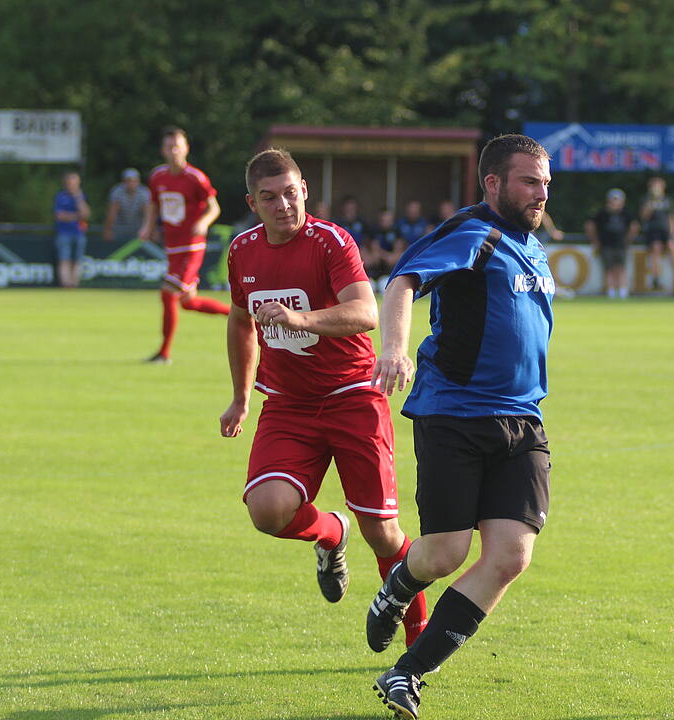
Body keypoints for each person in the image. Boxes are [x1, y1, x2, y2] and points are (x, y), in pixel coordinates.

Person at [367, 133, 555, 719]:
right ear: (493, 182)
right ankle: (399, 586)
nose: (541, 193)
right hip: (455, 414)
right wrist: (394, 349)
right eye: (530, 181)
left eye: (546, 183)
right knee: (446, 552)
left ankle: (406, 673)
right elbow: (402, 281)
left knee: (511, 557)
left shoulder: (534, 246)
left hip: (523, 421)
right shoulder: (474, 232)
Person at [220, 148, 428, 650]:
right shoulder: (242, 250)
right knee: (267, 511)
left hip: (353, 395)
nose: (283, 205)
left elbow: (365, 312)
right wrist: (241, 397)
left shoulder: (331, 241)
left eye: (291, 193)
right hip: (288, 404)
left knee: (382, 533)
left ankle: (419, 646)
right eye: (269, 197)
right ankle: (331, 533)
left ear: (304, 190)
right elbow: (240, 320)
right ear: (252, 203)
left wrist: (302, 318)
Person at [139, 126, 231, 364]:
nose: (174, 151)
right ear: (163, 150)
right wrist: (147, 226)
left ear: (186, 148)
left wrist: (203, 222)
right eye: (169, 147)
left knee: (168, 292)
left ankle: (164, 353)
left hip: (192, 247)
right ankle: (238, 315)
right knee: (188, 302)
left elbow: (214, 208)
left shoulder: (195, 178)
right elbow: (154, 205)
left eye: (177, 146)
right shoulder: (158, 176)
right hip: (172, 247)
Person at [584, 188, 639, 299]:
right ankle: (611, 291)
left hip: (621, 245)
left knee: (620, 268)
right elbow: (589, 225)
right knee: (608, 268)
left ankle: (622, 291)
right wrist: (595, 241)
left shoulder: (626, 213)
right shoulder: (602, 213)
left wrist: (628, 239)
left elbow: (635, 226)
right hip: (606, 244)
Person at [640, 175, 674, 292]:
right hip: (653, 231)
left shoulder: (668, 200)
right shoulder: (646, 200)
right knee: (656, 249)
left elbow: (672, 217)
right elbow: (644, 216)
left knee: (673, 247)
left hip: (666, 230)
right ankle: (656, 278)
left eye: (658, 185)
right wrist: (651, 202)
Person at [53, 170, 91, 288]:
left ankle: (74, 284)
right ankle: (66, 284)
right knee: (64, 259)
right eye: (71, 182)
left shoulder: (81, 196)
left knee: (78, 260)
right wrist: (77, 216)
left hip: (79, 233)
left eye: (76, 183)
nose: (73, 185)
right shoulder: (60, 197)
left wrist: (78, 198)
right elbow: (60, 216)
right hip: (63, 233)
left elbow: (86, 214)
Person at [102, 168, 151, 243]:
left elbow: (147, 213)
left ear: (138, 181)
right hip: (119, 229)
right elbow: (112, 212)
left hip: (138, 229)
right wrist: (108, 230)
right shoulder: (117, 191)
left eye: (134, 181)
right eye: (128, 181)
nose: (131, 183)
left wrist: (147, 229)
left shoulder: (144, 193)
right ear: (123, 182)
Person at [366, 207, 406, 283]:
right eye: (383, 220)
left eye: (388, 220)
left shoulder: (396, 232)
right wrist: (386, 255)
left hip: (389, 274)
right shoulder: (374, 231)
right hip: (373, 273)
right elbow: (374, 257)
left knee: (384, 283)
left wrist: (382, 254)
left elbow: (392, 259)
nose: (386, 222)